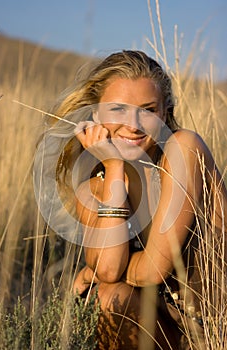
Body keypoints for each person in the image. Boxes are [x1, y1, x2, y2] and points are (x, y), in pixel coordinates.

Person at [38, 50, 227, 349]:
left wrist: (91, 271)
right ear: (96, 116)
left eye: (148, 110)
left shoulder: (182, 150)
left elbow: (153, 269)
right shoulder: (96, 186)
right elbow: (110, 272)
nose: (134, 124)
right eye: (118, 110)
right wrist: (113, 168)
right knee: (109, 297)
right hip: (173, 332)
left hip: (218, 330)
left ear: (165, 113)